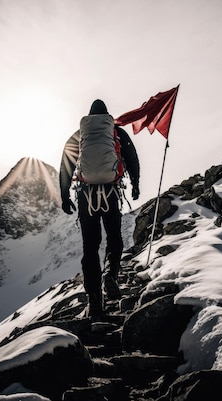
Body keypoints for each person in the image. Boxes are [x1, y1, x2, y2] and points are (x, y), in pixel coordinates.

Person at [59, 99, 140, 318]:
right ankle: (110, 275)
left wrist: (65, 195)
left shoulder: (80, 136)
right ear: (106, 115)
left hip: (86, 196)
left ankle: (95, 299)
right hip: (111, 193)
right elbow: (132, 157)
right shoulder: (115, 132)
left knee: (90, 247)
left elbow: (66, 164)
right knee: (114, 239)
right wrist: (136, 184)